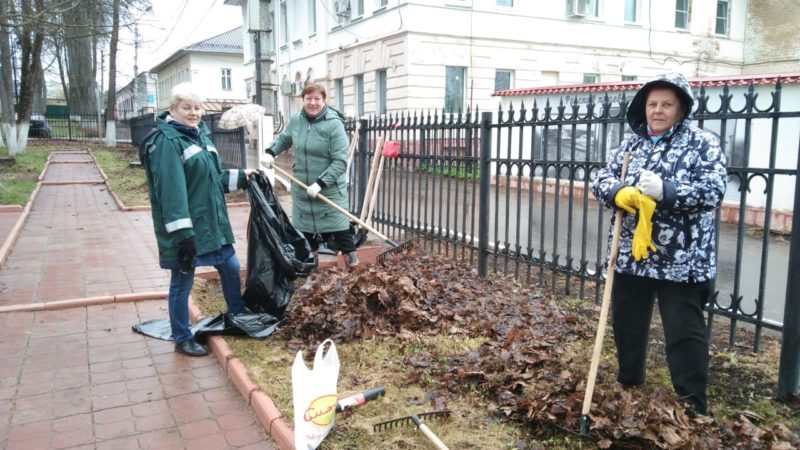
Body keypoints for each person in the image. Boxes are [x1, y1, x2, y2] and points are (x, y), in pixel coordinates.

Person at [591, 73, 728, 415]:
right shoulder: (630, 144)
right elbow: (601, 178)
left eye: (667, 104)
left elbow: (713, 191)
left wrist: (666, 191)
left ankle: (692, 402)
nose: (658, 111)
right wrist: (617, 191)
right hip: (633, 256)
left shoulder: (702, 144)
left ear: (681, 109)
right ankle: (629, 380)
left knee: (684, 332)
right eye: (652, 104)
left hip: (683, 260)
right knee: (628, 322)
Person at [141, 82, 258, 357]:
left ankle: (237, 314)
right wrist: (183, 237)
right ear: (173, 109)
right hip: (189, 229)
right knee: (182, 280)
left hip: (212, 225)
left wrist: (243, 176)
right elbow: (171, 193)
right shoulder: (167, 142)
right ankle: (182, 336)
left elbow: (213, 178)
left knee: (230, 265)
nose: (193, 113)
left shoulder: (200, 136)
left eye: (197, 108)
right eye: (187, 108)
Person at [263, 83, 359, 268]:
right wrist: (270, 152)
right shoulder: (296, 120)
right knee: (306, 239)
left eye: (317, 99)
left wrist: (320, 183)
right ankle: (311, 279)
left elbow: (340, 162)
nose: (312, 103)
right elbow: (284, 139)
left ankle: (355, 276)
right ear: (303, 100)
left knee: (343, 236)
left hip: (328, 192)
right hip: (302, 191)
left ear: (324, 101)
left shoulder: (333, 124)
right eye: (309, 98)